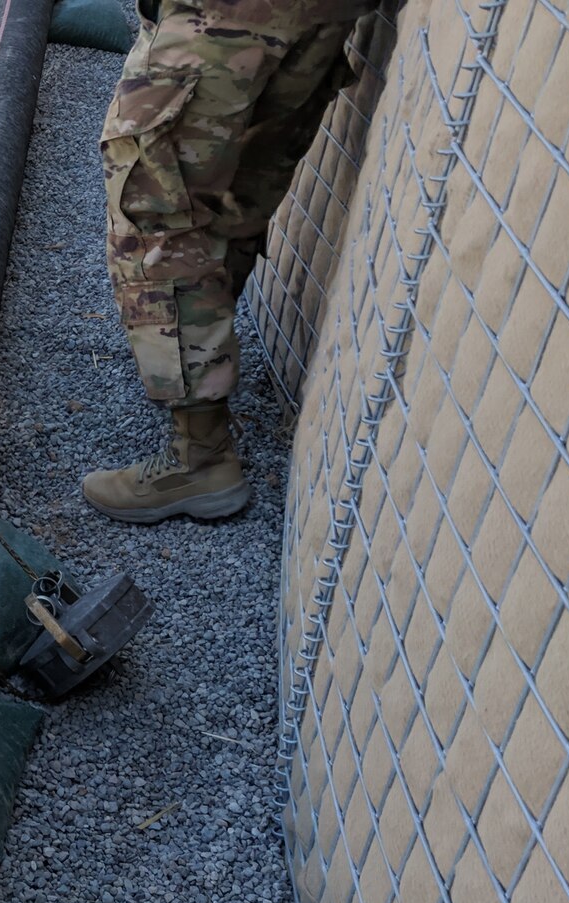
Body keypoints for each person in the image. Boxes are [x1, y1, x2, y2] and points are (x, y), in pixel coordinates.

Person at [83, 0, 377, 523]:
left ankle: (200, 455)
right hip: (323, 13)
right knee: (234, 196)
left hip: (221, 15)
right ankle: (197, 379)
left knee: (155, 213)